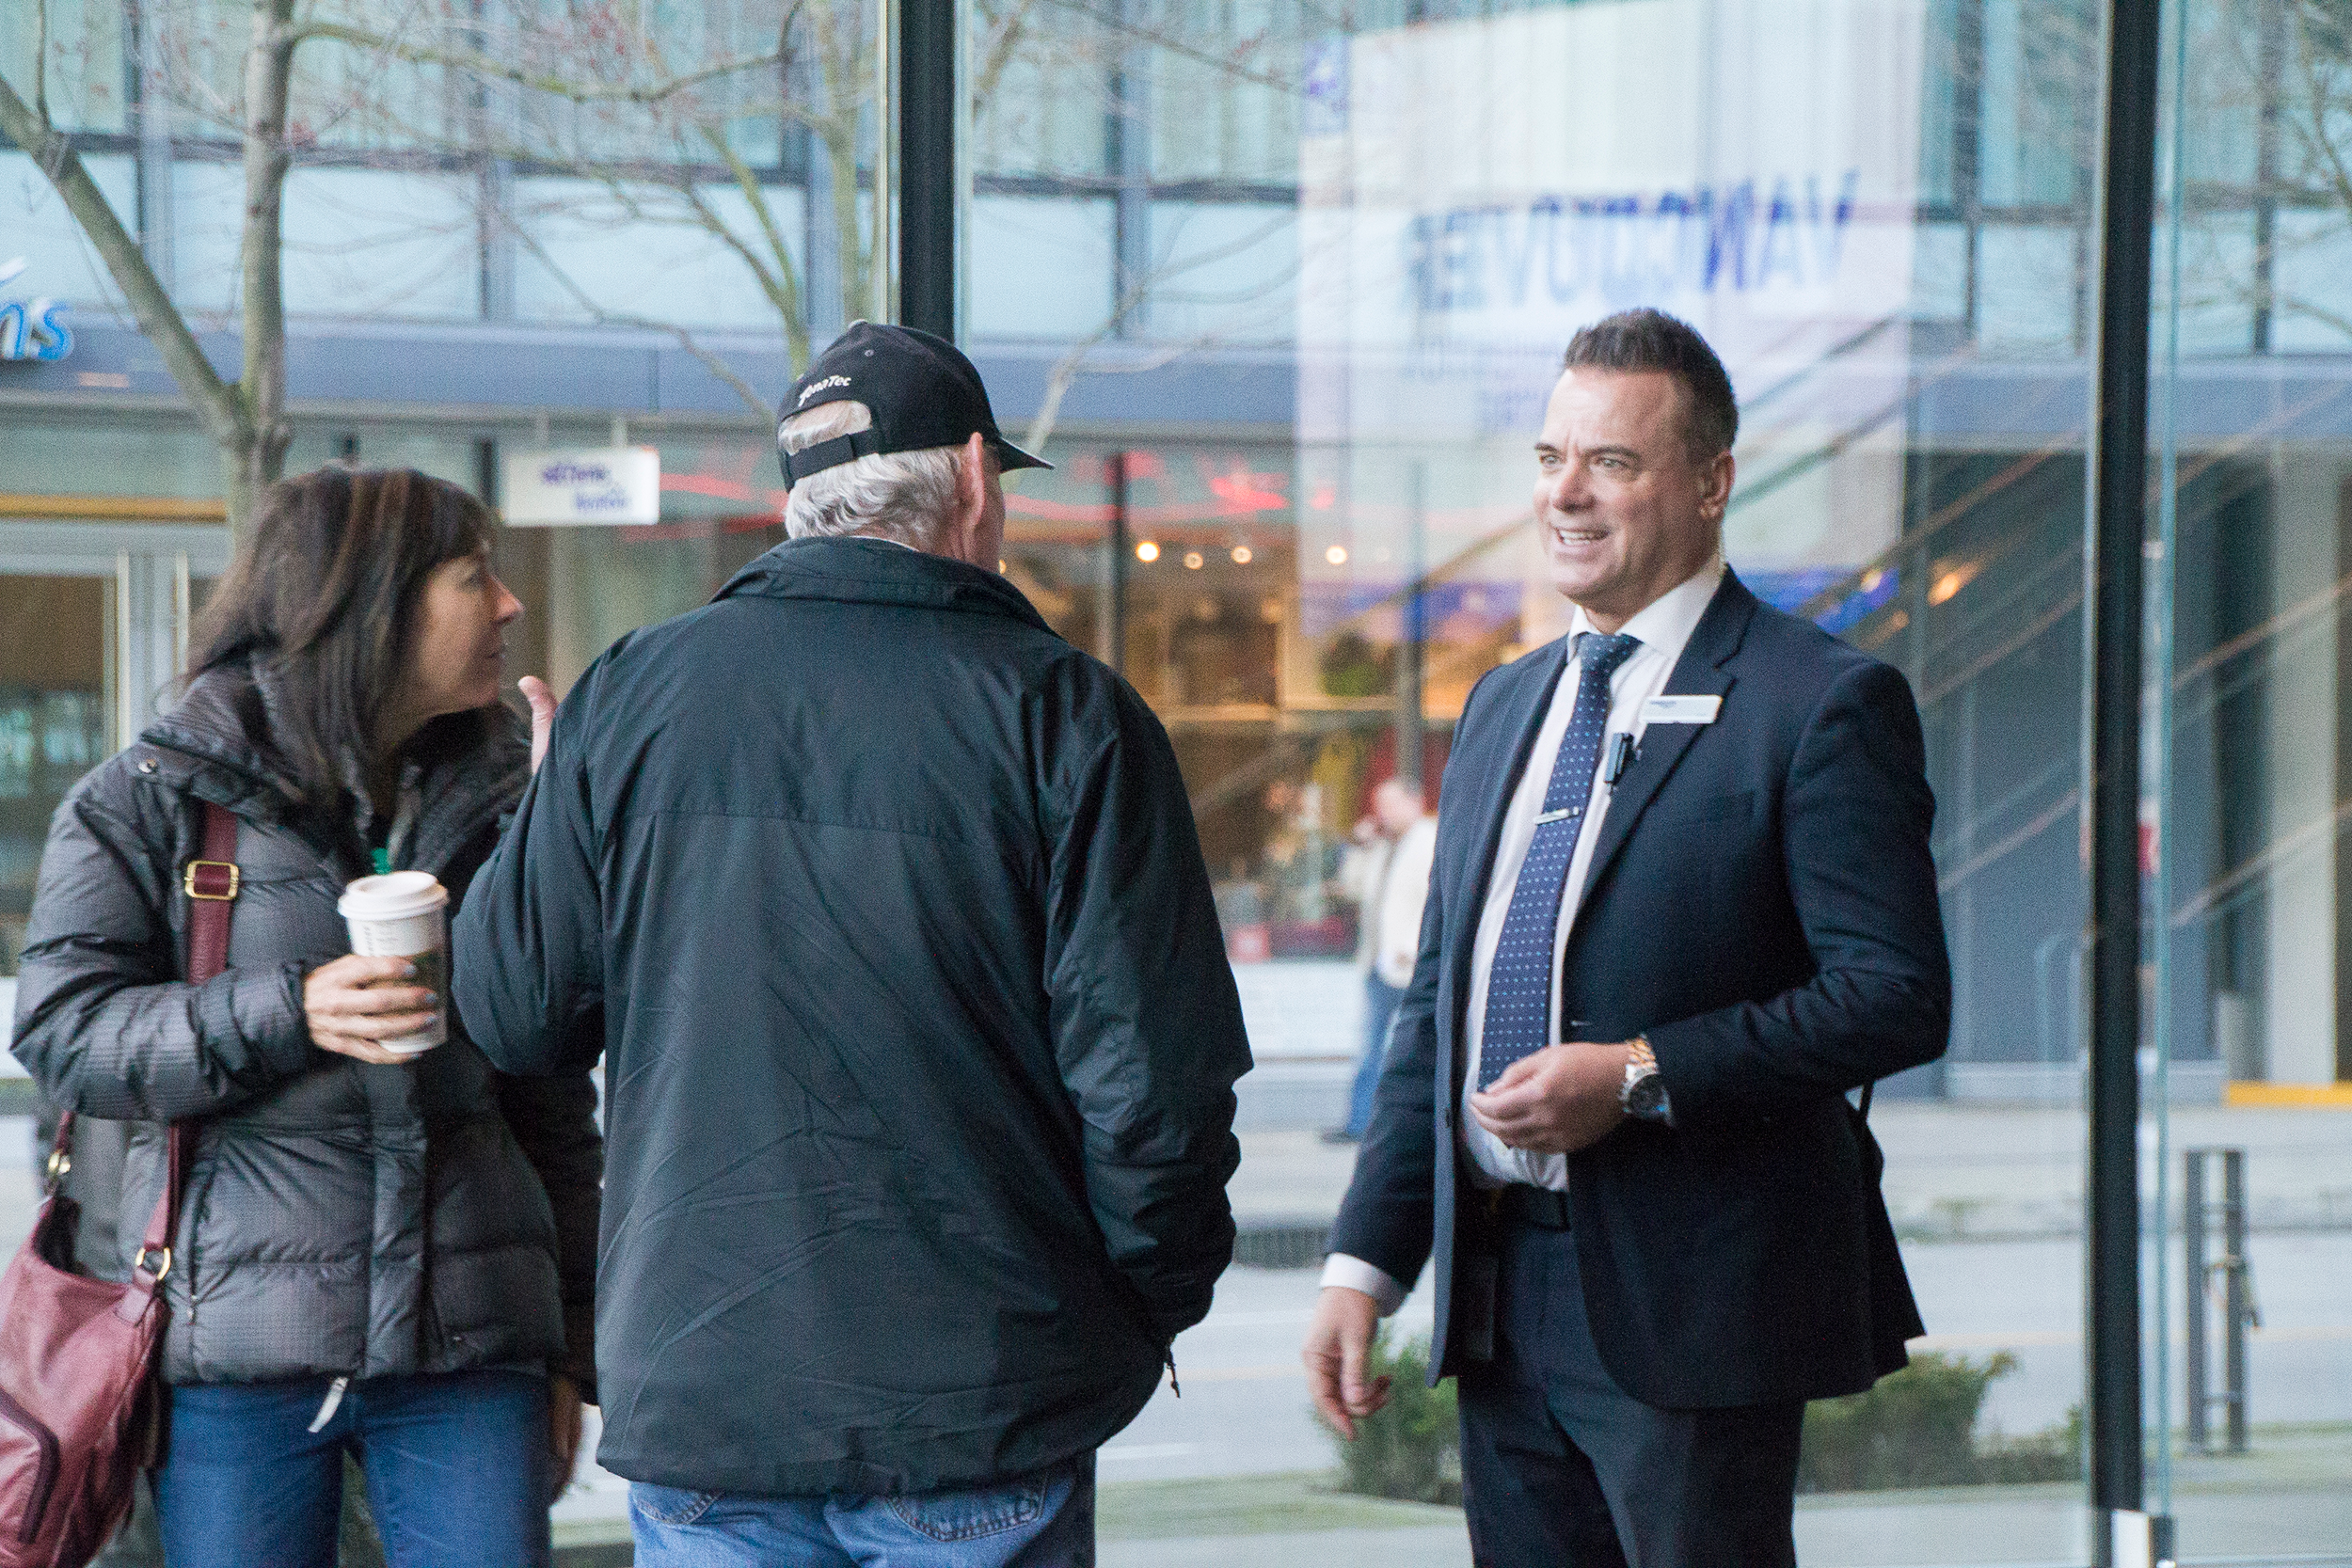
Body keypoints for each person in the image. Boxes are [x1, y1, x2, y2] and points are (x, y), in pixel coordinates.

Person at [453, 320, 1252, 1568]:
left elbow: (512, 1013)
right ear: (979, 482)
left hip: (707, 1404)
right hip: (982, 1405)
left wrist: (544, 814)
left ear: (796, 504)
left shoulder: (633, 692)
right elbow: (1155, 1091)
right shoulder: (1069, 717)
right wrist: (1130, 1308)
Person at [1301, 309, 1951, 1566]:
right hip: (1499, 1300)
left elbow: (1894, 994)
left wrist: (1640, 1073)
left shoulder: (1818, 701)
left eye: (1614, 461)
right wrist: (1364, 1264)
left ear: (1711, 482)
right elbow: (1437, 1010)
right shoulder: (1503, 703)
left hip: (1692, 1310)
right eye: (1552, 457)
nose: (1568, 492)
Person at [9, 467, 600, 1568]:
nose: (511, 604)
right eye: (477, 577)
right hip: (234, 1351)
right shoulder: (150, 797)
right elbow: (64, 1030)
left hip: (473, 1349)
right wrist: (294, 1007)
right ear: (369, 603)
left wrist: (571, 1346)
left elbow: (552, 1094)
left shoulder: (512, 800)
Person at [1328, 777, 1437, 1143]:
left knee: (1411, 1046)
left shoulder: (1430, 840)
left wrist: (1418, 945)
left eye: (1391, 804)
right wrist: (1359, 847)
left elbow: (1438, 901)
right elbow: (1351, 889)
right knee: (1371, 1045)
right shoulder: (1383, 846)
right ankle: (1360, 1123)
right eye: (1379, 806)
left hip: (1409, 963)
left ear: (1415, 801)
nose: (1384, 813)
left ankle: (1406, 1127)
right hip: (1377, 962)